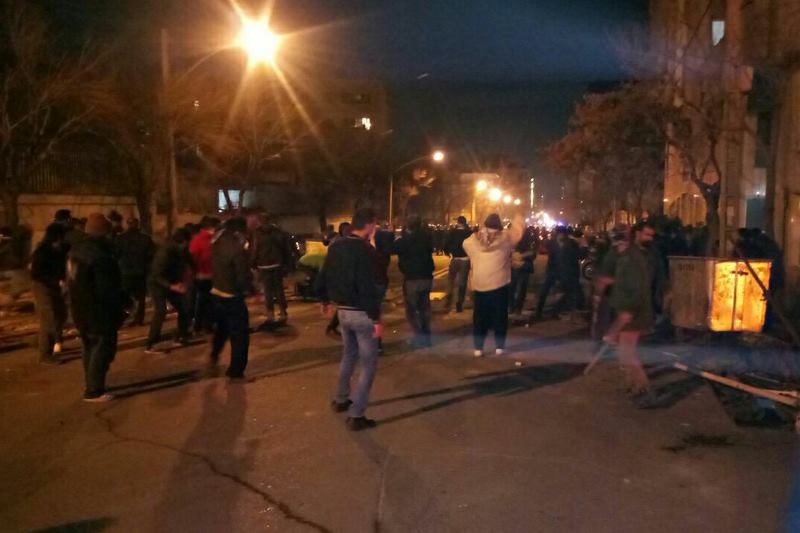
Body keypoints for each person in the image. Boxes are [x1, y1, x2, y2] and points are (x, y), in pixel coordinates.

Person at [316, 208, 383, 431]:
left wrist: (324, 299)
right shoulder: (365, 250)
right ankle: (357, 414)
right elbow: (368, 286)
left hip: (342, 311)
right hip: (362, 313)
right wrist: (376, 319)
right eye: (374, 225)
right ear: (369, 225)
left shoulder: (336, 246)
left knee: (349, 354)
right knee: (368, 364)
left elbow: (324, 274)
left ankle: (341, 398)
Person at [67, 214, 126, 401]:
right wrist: (122, 306)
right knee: (102, 349)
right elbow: (108, 289)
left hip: (79, 307)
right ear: (104, 233)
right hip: (98, 310)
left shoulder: (76, 251)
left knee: (89, 347)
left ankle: (92, 383)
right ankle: (94, 390)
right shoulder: (101, 257)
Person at [604, 221, 660, 408]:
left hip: (634, 313)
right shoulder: (625, 257)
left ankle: (644, 390)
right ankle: (633, 386)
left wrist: (626, 313)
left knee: (628, 353)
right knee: (624, 353)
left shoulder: (632, 260)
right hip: (629, 311)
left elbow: (637, 289)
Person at [463, 213, 524, 357]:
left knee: (479, 317)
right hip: (499, 284)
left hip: (480, 284)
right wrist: (518, 217)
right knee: (500, 316)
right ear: (499, 225)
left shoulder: (472, 240)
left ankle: (478, 348)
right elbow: (518, 231)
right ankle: (499, 347)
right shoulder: (506, 238)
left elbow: (464, 245)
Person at [208, 216, 252, 380]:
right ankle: (236, 371)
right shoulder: (237, 248)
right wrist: (248, 290)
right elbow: (242, 276)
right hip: (232, 295)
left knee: (222, 328)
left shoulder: (216, 242)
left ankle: (214, 355)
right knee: (240, 334)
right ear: (239, 231)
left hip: (217, 291)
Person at [145, 229, 193, 354]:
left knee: (183, 307)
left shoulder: (181, 251)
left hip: (172, 282)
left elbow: (189, 263)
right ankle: (151, 343)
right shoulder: (165, 253)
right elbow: (156, 275)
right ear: (182, 242)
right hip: (157, 284)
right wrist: (172, 286)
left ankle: (181, 335)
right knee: (160, 311)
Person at [393, 215, 435, 347]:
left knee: (412, 310)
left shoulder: (405, 240)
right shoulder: (427, 237)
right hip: (426, 276)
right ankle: (427, 336)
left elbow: (394, 248)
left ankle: (419, 337)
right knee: (424, 308)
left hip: (411, 278)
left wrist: (399, 237)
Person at [30, 223, 68, 364]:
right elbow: (37, 274)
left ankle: (49, 344)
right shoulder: (43, 252)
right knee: (49, 318)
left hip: (54, 286)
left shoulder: (60, 250)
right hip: (42, 286)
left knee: (59, 316)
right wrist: (56, 281)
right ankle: (44, 354)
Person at [251, 215, 293, 325]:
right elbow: (286, 249)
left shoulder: (257, 234)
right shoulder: (278, 232)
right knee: (279, 289)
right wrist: (287, 264)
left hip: (263, 265)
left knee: (267, 291)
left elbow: (255, 249)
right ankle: (283, 312)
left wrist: (252, 263)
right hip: (277, 264)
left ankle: (270, 314)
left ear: (260, 221)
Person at [116, 217, 155, 327]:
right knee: (140, 297)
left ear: (127, 224)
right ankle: (139, 319)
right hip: (140, 271)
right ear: (137, 224)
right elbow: (151, 254)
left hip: (125, 272)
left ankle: (123, 317)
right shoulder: (145, 238)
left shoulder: (120, 238)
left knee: (124, 296)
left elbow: (116, 253)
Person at [189, 216, 220, 333]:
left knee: (207, 301)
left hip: (210, 274)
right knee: (204, 301)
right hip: (203, 275)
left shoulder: (209, 239)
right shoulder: (200, 240)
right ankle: (202, 325)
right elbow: (193, 258)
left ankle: (205, 325)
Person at [325, 222, 353, 336]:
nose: (348, 232)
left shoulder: (351, 242)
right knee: (345, 303)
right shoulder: (337, 243)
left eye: (349, 230)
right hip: (341, 276)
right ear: (341, 231)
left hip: (348, 276)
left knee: (345, 303)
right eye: (346, 230)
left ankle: (333, 325)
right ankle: (334, 326)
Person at [444, 216, 473, 314]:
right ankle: (460, 302)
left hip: (455, 258)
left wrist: (447, 252)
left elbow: (446, 243)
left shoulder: (453, 232)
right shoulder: (469, 233)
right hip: (465, 259)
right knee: (462, 282)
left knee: (450, 279)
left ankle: (449, 296)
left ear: (458, 222)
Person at [509, 228, 537, 317]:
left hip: (523, 266)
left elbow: (533, 253)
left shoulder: (527, 238)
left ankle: (516, 308)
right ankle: (513, 307)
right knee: (513, 288)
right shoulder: (512, 238)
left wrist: (521, 256)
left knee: (520, 288)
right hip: (515, 266)